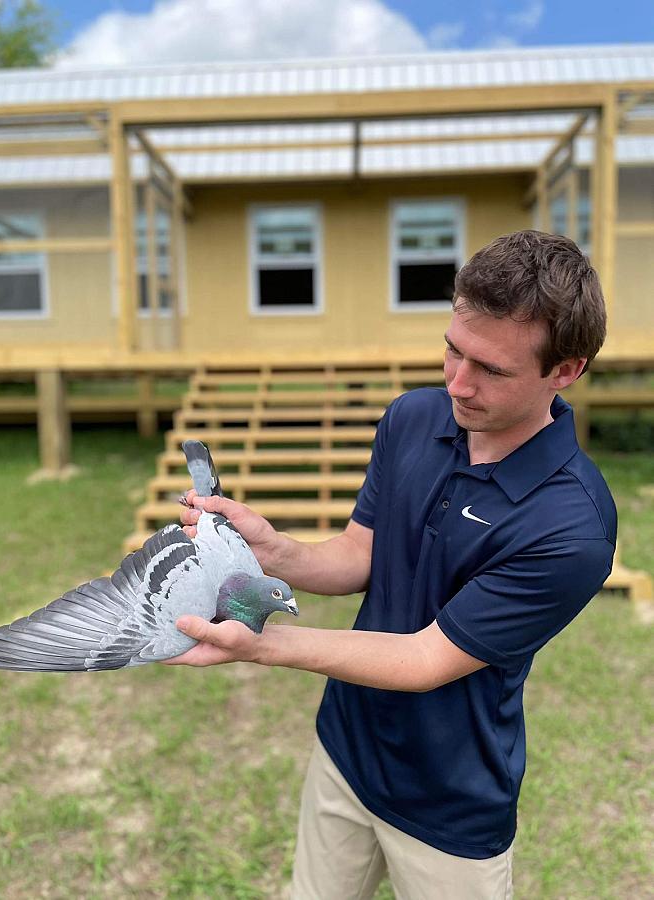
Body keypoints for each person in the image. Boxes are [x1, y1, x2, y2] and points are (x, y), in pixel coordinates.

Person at [169, 230, 617, 900]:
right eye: (451, 350)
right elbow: (360, 554)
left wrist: (263, 643)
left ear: (565, 370)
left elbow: (424, 660)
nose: (457, 384)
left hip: (450, 803)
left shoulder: (572, 526)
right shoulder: (413, 418)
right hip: (345, 749)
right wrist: (274, 550)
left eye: (490, 370)